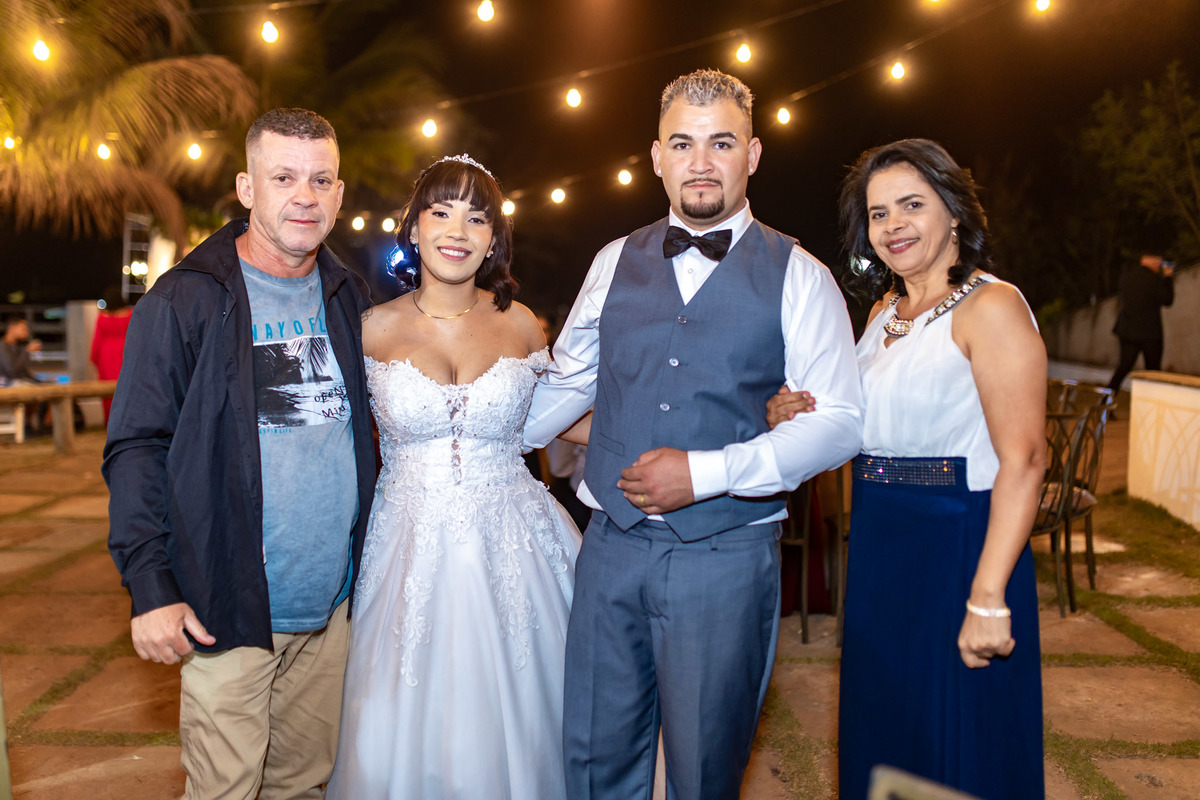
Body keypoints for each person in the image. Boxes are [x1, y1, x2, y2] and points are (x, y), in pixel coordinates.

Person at [523, 68, 863, 800]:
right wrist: (472, 418)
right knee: (593, 755)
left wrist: (705, 474)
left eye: (721, 144)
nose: (701, 163)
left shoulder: (800, 275)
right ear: (656, 157)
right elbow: (566, 384)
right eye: (683, 144)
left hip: (726, 555)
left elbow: (839, 422)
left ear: (753, 155)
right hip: (610, 547)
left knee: (705, 767)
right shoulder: (613, 261)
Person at [103, 108, 376, 800]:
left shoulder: (350, 297)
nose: (304, 197)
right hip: (227, 605)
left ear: (340, 194)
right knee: (225, 789)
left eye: (320, 180)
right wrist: (151, 587)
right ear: (247, 188)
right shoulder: (185, 300)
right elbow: (136, 447)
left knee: (303, 788)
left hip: (331, 608)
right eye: (283, 178)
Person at [770, 138, 1046, 799]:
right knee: (886, 730)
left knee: (957, 737)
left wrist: (987, 596)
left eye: (912, 205)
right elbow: (865, 429)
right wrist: (798, 412)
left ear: (954, 211)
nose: (893, 225)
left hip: (958, 544)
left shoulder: (992, 306)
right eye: (878, 212)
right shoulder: (881, 315)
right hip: (879, 545)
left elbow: (1026, 460)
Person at [326, 155, 583, 799]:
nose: (457, 231)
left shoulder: (521, 323)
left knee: (536, 712)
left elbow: (565, 420)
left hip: (517, 542)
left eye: (476, 218)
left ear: (493, 239)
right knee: (401, 717)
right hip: (407, 546)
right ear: (413, 227)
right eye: (440, 212)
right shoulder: (368, 329)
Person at [1107, 253, 1175, 395]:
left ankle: (1105, 400)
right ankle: (1151, 401)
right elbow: (1167, 300)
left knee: (1124, 367)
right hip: (1150, 332)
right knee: (1152, 371)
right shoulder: (1154, 279)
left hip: (1127, 329)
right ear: (1154, 261)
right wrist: (1168, 277)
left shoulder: (1127, 276)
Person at [89, 287, 133, 421]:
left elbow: (96, 341)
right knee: (126, 389)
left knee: (107, 394)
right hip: (126, 352)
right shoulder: (130, 315)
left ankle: (109, 422)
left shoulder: (102, 318)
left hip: (106, 355)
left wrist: (94, 359)